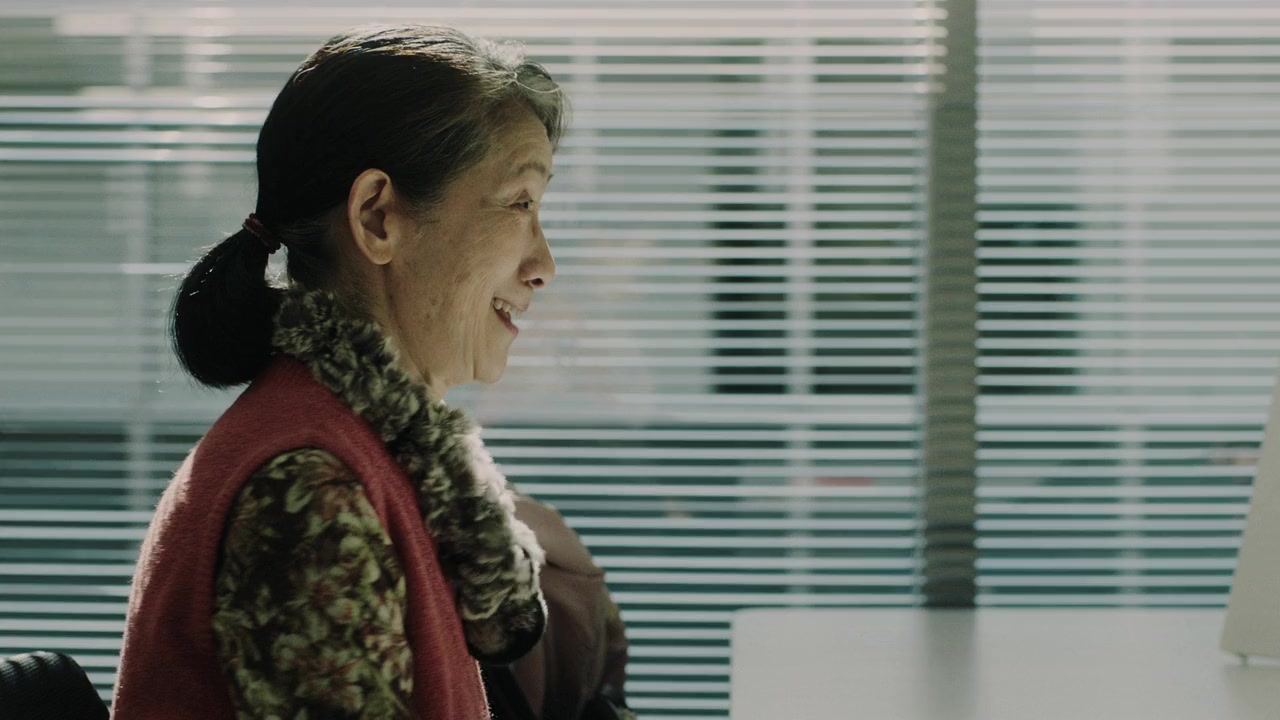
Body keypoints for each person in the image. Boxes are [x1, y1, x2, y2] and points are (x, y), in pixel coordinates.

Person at [112, 24, 574, 719]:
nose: (544, 265)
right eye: (520, 203)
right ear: (378, 217)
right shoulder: (309, 487)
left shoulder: (361, 452)